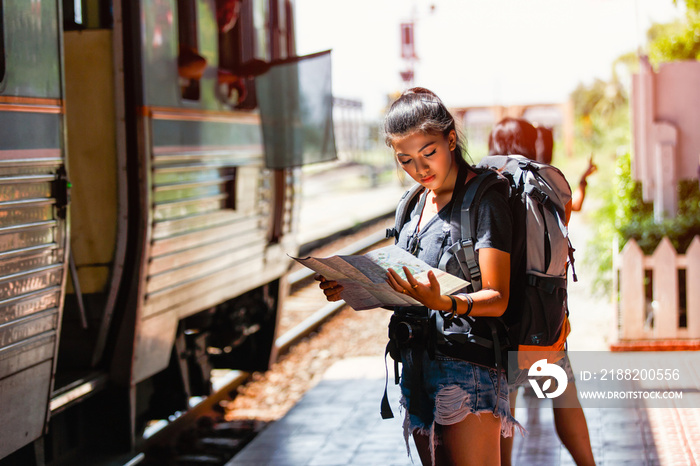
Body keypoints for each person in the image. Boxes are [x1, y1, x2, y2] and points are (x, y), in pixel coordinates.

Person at [317, 88, 522, 465]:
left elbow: (498, 297)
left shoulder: (484, 200)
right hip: (414, 366)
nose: (420, 168)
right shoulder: (411, 205)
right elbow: (407, 286)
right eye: (406, 160)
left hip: (468, 370)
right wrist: (353, 286)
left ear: (450, 139)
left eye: (429, 153)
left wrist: (445, 303)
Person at [487, 117, 596, 466]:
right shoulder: (546, 182)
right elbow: (565, 222)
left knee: (505, 401)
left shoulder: (485, 185)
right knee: (564, 395)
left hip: (498, 316)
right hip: (543, 316)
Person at [533, 125, 597, 212]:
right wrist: (583, 179)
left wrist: (583, 179)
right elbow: (574, 206)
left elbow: (574, 205)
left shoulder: (519, 175)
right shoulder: (549, 177)